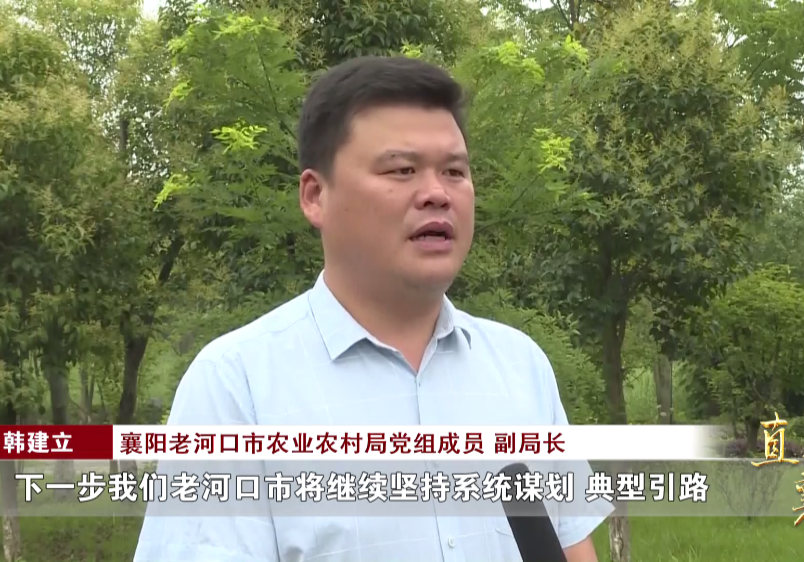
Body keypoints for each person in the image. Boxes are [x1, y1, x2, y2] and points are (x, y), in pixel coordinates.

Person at [133, 55, 611, 562]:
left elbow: (572, 549)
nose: (437, 194)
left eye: (454, 171)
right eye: (402, 170)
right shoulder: (236, 387)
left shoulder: (521, 366)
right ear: (315, 196)